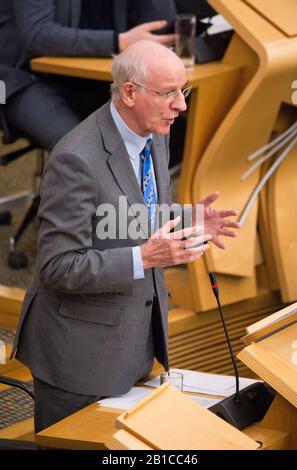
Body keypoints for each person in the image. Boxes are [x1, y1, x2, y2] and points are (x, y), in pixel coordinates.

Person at [12, 40, 240, 433]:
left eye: (182, 92)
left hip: (137, 345)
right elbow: (58, 267)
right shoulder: (75, 159)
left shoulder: (156, 134)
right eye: (168, 93)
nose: (181, 106)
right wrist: (146, 258)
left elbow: (129, 210)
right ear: (129, 93)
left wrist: (185, 216)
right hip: (80, 358)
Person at [0, 0, 176, 151]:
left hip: (99, 81)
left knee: (171, 137)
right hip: (25, 80)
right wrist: (118, 42)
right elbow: (38, 35)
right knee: (86, 152)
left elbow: (161, 32)